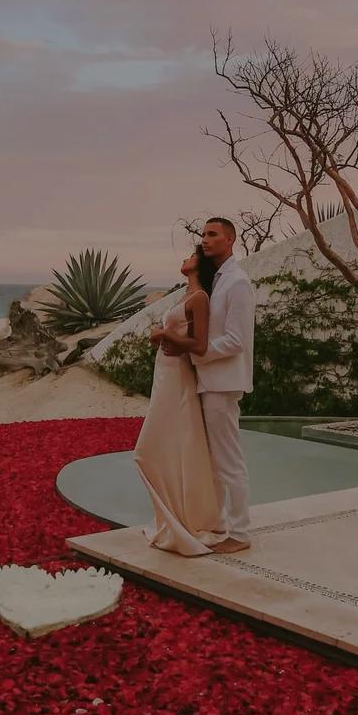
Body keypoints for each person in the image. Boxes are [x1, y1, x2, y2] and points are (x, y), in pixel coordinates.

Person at [147, 216, 256, 554]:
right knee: (213, 460)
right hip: (208, 381)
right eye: (203, 235)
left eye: (212, 234)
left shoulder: (237, 282)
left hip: (222, 382)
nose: (205, 240)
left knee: (228, 460)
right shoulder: (216, 282)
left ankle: (240, 533)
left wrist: (194, 354)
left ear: (231, 239)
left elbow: (236, 341)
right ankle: (218, 524)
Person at [133, 243, 228, 555]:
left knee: (147, 450)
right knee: (171, 446)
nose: (185, 258)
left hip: (178, 378)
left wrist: (165, 336)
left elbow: (199, 345)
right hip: (166, 376)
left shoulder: (199, 298)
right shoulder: (185, 295)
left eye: (191, 255)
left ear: (198, 265)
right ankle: (175, 519)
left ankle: (186, 520)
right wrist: (164, 337)